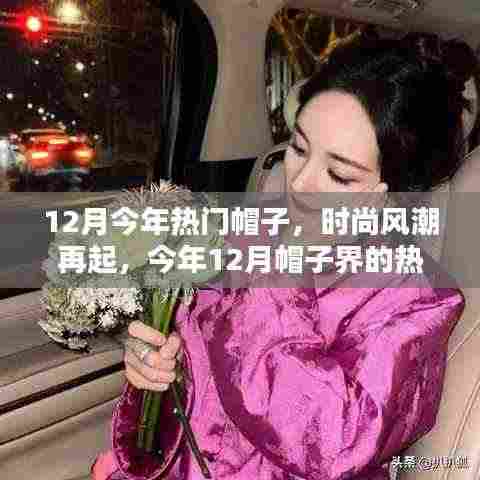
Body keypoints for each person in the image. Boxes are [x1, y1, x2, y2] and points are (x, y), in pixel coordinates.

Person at [91, 39, 467, 480]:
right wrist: (157, 373)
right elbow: (193, 390)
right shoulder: (241, 235)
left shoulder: (415, 299)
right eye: (299, 148)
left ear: (387, 194)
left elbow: (334, 445)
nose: (301, 182)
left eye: (339, 174)